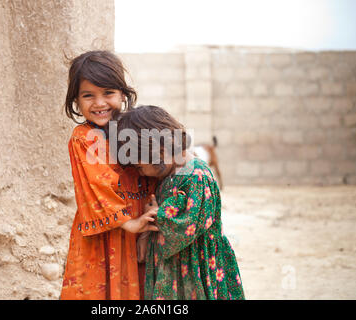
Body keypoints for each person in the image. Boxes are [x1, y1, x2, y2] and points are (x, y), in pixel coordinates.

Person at [116, 105, 245, 300]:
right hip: (175, 266)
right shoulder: (170, 174)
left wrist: (157, 215)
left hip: (196, 266)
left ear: (158, 152)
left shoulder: (196, 175)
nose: (140, 173)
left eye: (140, 167)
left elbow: (188, 225)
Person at [60, 51, 158, 300]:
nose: (99, 103)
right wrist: (131, 225)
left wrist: (146, 228)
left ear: (123, 94)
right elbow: (99, 184)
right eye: (88, 95)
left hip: (142, 226)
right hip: (104, 236)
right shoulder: (84, 137)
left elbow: (156, 173)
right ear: (76, 100)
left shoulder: (137, 129)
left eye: (108, 93)